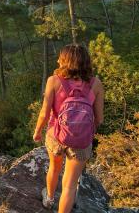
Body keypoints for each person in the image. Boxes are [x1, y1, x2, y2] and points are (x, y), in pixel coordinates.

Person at [33, 44, 104, 213]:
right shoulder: (96, 84)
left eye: (60, 57)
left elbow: (44, 113)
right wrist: (84, 131)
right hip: (80, 142)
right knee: (70, 186)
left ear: (65, 61)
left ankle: (49, 199)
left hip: (56, 135)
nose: (57, 60)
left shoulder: (54, 81)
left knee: (54, 168)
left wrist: (37, 132)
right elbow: (99, 119)